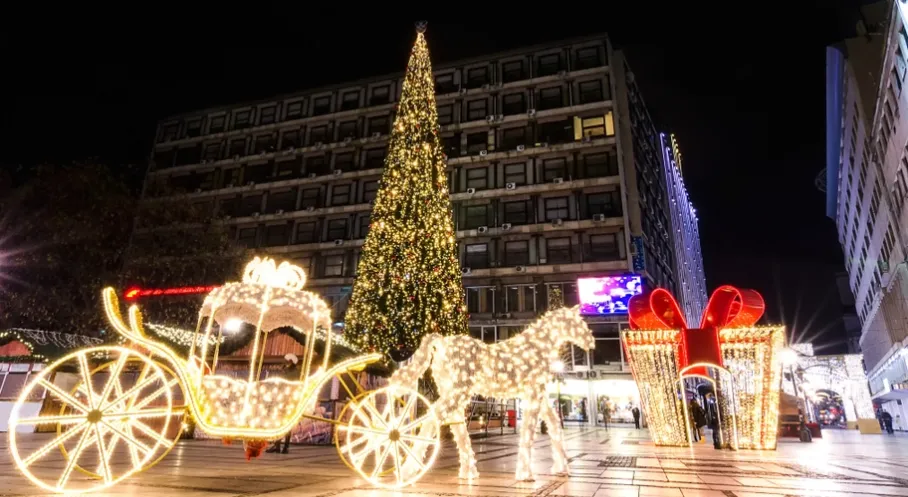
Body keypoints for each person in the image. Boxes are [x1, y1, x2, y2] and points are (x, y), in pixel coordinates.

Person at [267, 354, 301, 454]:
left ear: (291, 362)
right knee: (281, 423)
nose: (286, 362)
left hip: (286, 400)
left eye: (288, 361)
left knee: (283, 423)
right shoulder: (288, 371)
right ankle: (280, 446)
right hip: (284, 399)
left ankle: (283, 446)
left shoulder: (292, 372)